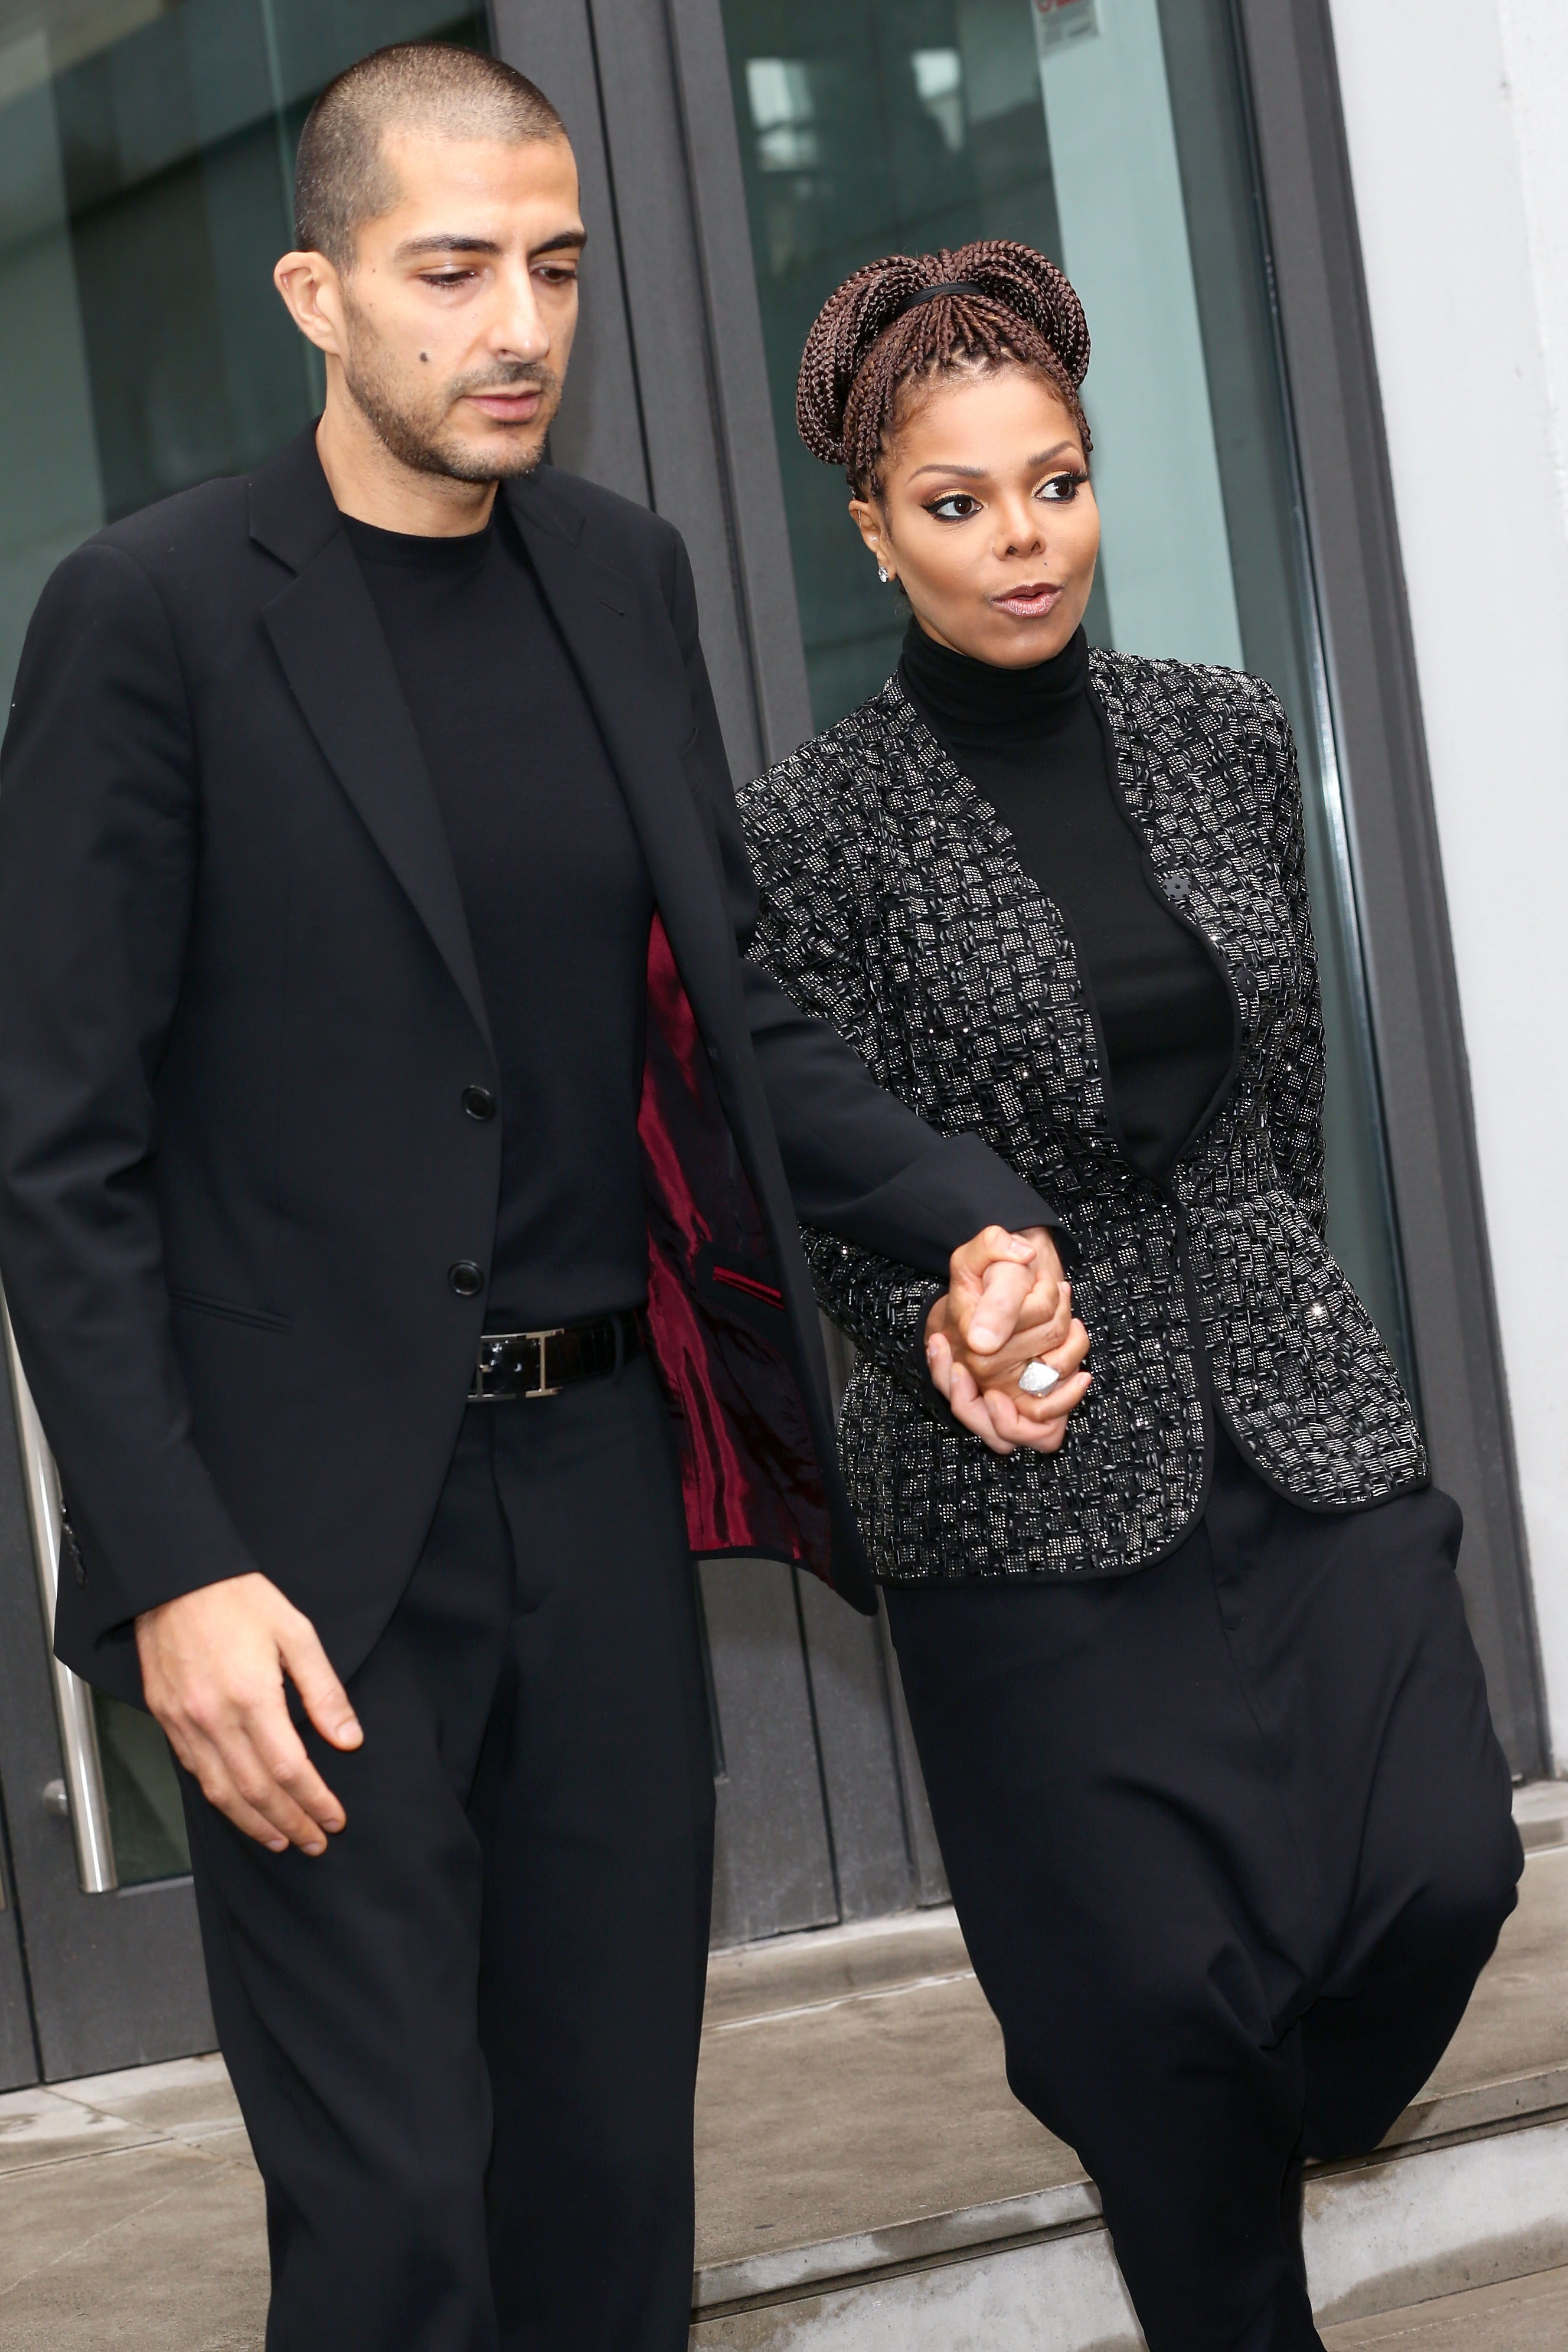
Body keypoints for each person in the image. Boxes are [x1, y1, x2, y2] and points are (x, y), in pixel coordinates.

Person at [0, 61, 1080, 2352]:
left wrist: (961, 1218)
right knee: (396, 2229)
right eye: (452, 268)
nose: (520, 322)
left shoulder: (622, 577)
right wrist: (177, 1565)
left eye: (558, 268)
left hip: (595, 1502)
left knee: (605, 2204)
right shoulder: (154, 618)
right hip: (307, 1561)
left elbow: (734, 1014)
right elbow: (53, 1148)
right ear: (318, 291)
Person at [736, 239, 1524, 2352]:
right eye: (960, 500)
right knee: (1155, 2019)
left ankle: (1191, 2096)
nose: (1023, 540)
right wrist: (947, 1325)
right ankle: (1166, 2134)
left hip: (1300, 1415)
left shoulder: (1225, 732)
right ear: (873, 528)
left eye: (1057, 483)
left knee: (1447, 1872)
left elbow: (1277, 1102)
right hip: (1030, 1485)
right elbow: (826, 1187)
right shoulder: (812, 828)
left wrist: (1290, 1303)